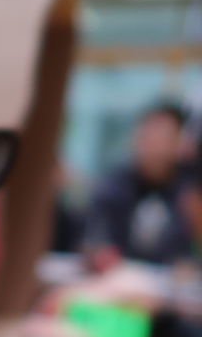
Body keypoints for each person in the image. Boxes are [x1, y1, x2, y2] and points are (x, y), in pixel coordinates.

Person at [84, 103, 196, 270]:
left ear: (179, 143)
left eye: (163, 138)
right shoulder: (114, 185)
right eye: (147, 136)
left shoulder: (189, 191)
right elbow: (94, 238)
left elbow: (188, 253)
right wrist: (98, 252)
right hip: (117, 282)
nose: (154, 146)